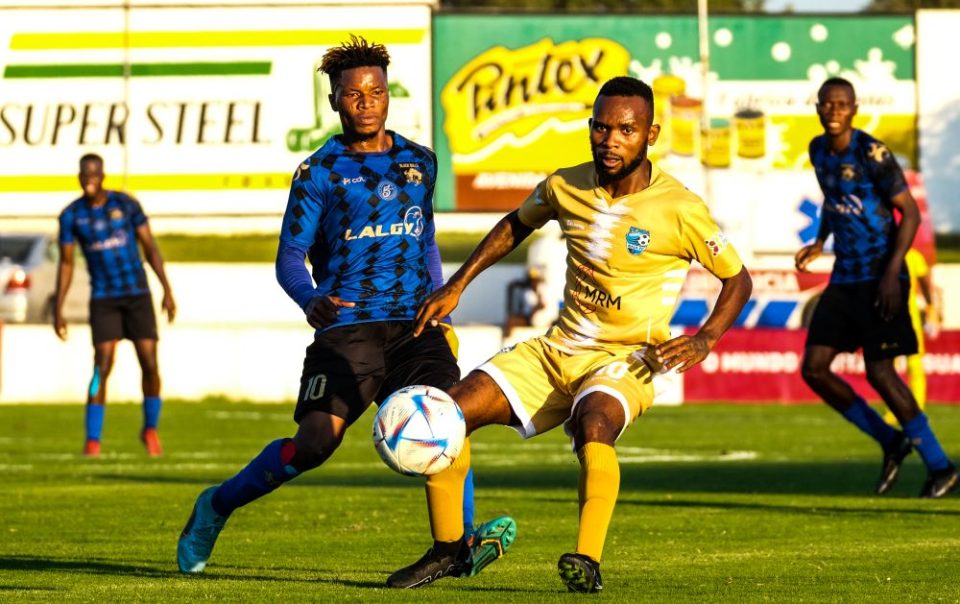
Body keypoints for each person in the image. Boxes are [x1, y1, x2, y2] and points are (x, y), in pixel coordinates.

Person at [387, 76, 753, 593]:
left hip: (629, 359)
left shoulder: (680, 208)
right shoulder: (565, 185)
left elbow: (738, 279)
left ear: (650, 135)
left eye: (626, 130)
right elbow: (516, 224)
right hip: (556, 349)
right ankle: (450, 550)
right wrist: (458, 284)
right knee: (446, 413)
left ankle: (587, 559)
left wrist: (706, 338)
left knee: (594, 423)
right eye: (601, 128)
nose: (611, 140)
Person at [176, 35, 515, 579]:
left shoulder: (419, 162)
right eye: (353, 94)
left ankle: (460, 542)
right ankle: (216, 505)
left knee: (447, 418)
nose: (366, 103)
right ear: (334, 99)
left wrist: (443, 309)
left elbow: (425, 240)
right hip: (349, 327)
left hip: (415, 323)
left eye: (375, 92)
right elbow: (289, 257)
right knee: (314, 445)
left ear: (388, 95)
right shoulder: (319, 173)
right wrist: (309, 298)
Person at [795, 77, 957, 498]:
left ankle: (940, 466)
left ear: (854, 109)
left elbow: (911, 214)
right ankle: (890, 440)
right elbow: (834, 200)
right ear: (818, 107)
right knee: (814, 368)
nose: (834, 111)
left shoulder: (872, 153)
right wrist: (819, 241)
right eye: (827, 104)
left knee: (881, 372)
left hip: (882, 278)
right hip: (845, 277)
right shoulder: (817, 150)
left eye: (842, 104)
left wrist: (892, 273)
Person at [55, 153, 176, 458]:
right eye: (84, 174)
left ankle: (150, 429)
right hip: (104, 298)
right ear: (79, 177)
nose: (89, 179)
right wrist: (58, 308)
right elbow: (66, 263)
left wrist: (166, 288)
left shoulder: (126, 205)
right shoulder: (71, 215)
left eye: (94, 173)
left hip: (137, 295)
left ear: (102, 175)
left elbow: (150, 247)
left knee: (150, 363)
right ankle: (92, 440)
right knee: (102, 365)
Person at [882, 247, 941, 426]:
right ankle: (893, 410)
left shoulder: (914, 256)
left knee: (914, 364)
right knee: (887, 366)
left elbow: (924, 284)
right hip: (886, 316)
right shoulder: (883, 253)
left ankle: (917, 409)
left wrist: (931, 310)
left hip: (910, 318)